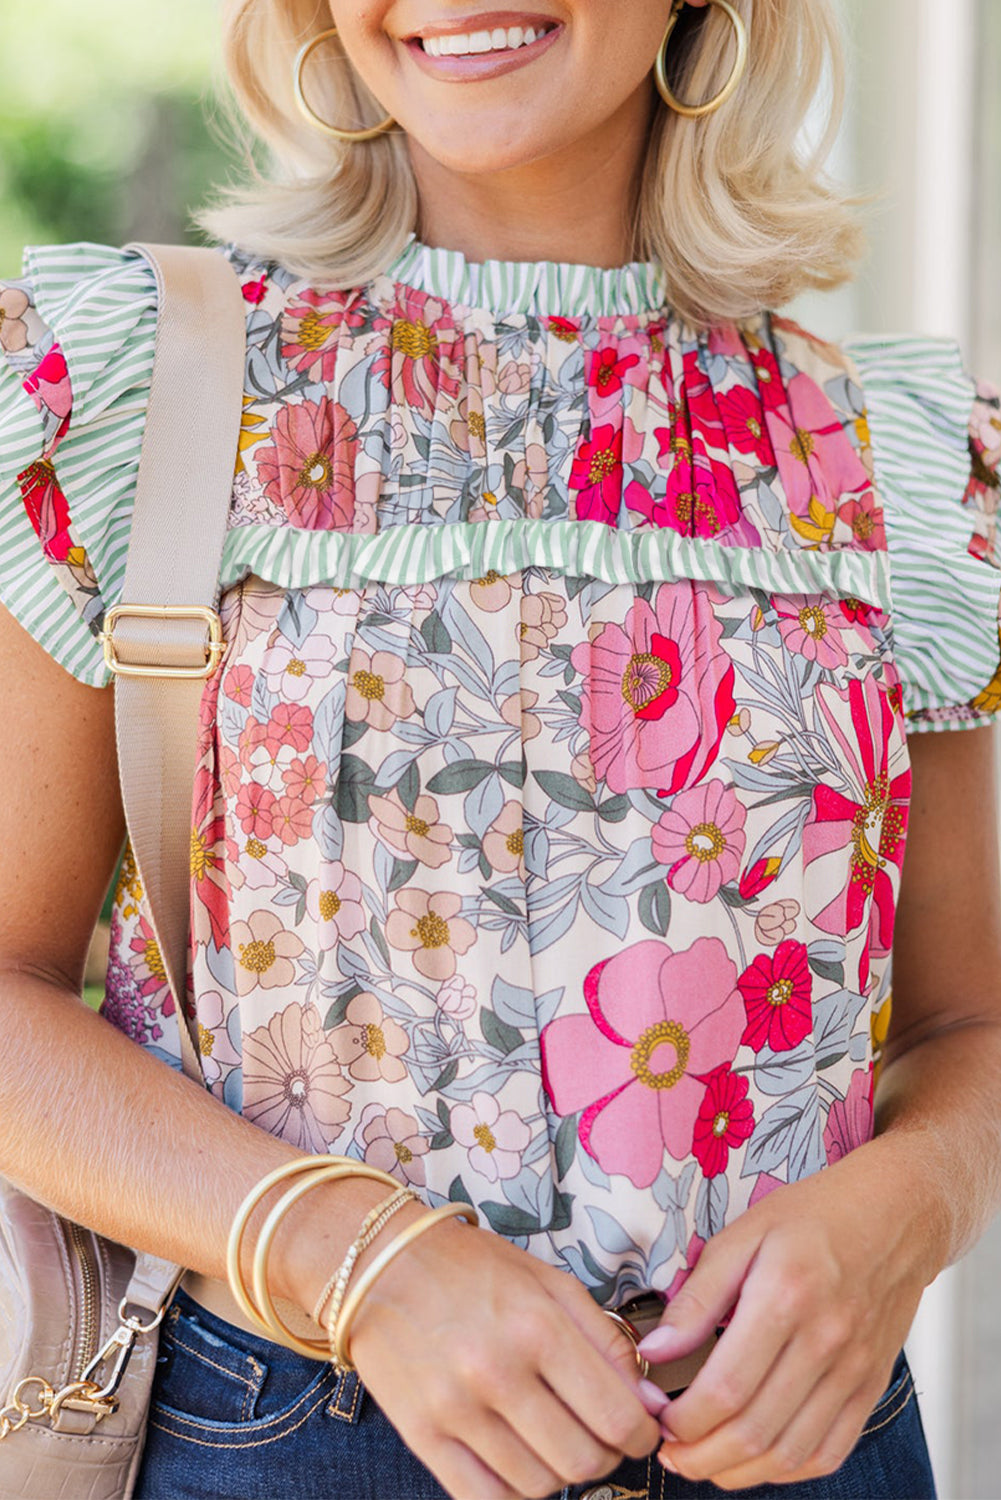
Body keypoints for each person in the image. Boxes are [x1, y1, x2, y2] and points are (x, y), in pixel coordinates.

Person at [1, 0, 1000, 1495]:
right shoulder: (138, 384)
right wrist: (360, 1259)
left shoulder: (888, 454)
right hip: (286, 1440)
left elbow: (966, 1022)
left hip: (798, 1448)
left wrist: (903, 1214)